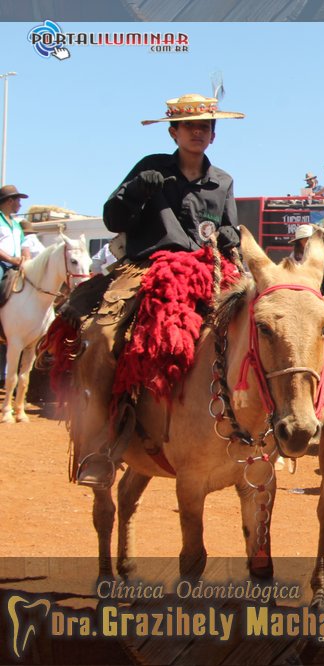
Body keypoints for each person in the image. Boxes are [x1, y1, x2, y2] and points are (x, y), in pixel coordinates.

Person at [69, 92, 244, 488]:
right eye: (190, 126)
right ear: (173, 132)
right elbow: (113, 220)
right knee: (103, 336)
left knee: (260, 327)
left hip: (208, 273)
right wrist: (136, 191)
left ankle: (265, 430)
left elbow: (228, 231)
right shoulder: (149, 167)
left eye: (205, 127)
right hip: (148, 268)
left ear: (214, 135)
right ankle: (99, 445)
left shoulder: (223, 181)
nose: (198, 132)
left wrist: (230, 235)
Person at [0, 185, 32, 283]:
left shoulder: (16, 224)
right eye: (18, 201)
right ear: (10, 201)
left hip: (16, 266)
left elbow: (24, 245)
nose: (20, 205)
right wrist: (11, 259)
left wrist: (27, 260)